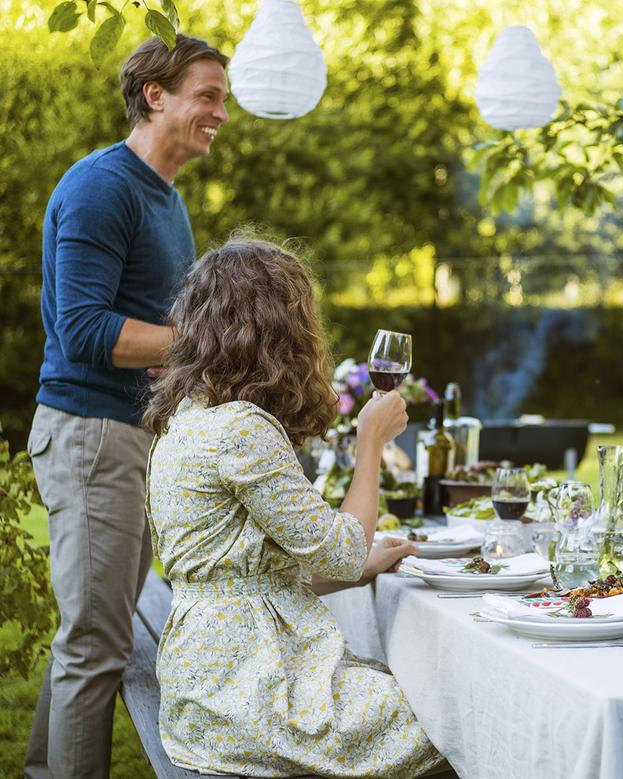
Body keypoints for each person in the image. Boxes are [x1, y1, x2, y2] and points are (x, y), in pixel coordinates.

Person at [143, 238, 445, 777]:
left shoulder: (185, 418)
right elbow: (343, 552)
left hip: (204, 688)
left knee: (414, 689)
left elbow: (247, 576)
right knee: (450, 715)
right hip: (253, 693)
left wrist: (364, 564)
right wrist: (371, 441)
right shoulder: (241, 428)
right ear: (280, 330)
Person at [25, 35, 229, 778]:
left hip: (131, 439)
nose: (220, 113)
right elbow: (83, 331)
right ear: (156, 94)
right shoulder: (101, 187)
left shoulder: (165, 198)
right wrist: (210, 346)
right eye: (207, 95)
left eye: (223, 100)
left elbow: (164, 332)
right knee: (97, 646)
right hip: (92, 437)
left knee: (92, 635)